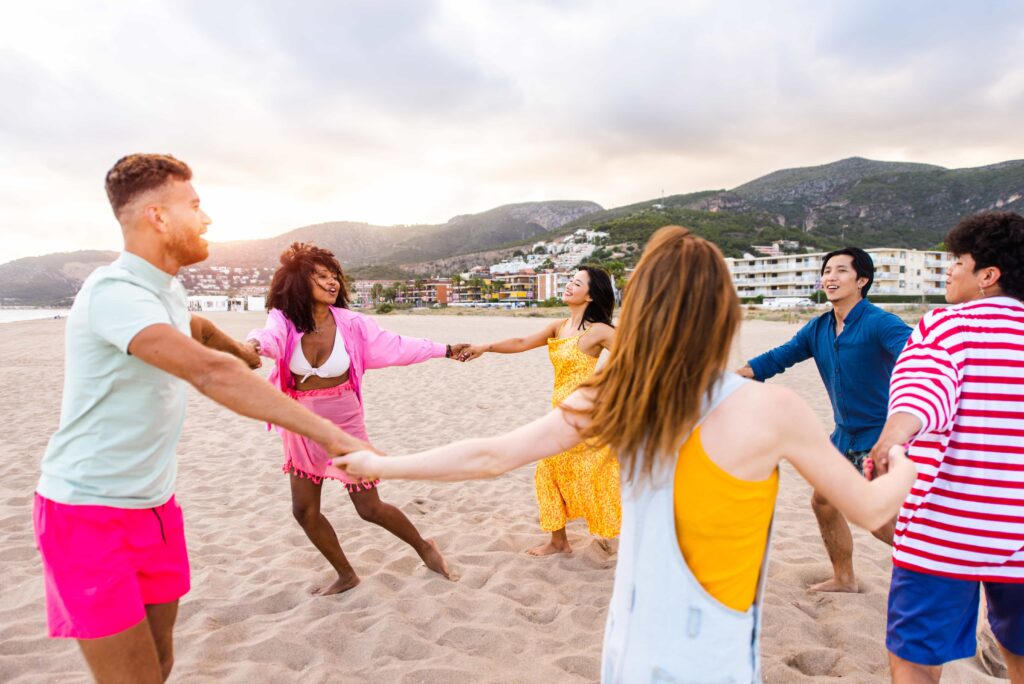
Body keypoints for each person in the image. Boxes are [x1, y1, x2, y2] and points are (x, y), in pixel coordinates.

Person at [333, 225, 916, 683]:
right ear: (722, 309)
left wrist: (384, 465)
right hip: (714, 660)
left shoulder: (619, 395)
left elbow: (490, 455)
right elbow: (868, 508)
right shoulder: (773, 411)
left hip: (628, 650)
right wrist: (905, 462)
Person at [34, 154, 369, 683]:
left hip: (156, 507)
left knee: (162, 662)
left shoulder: (164, 290)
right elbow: (207, 372)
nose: (207, 218)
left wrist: (240, 348)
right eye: (194, 205)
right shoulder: (113, 292)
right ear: (158, 217)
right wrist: (330, 434)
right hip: (88, 513)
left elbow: (197, 329)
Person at [245, 243, 467, 594]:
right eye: (321, 276)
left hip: (343, 421)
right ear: (300, 281)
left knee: (369, 507)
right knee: (303, 510)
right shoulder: (283, 319)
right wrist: (252, 347)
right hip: (300, 424)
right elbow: (268, 338)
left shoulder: (352, 324)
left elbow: (397, 345)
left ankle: (425, 546)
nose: (332, 282)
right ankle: (346, 574)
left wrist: (446, 350)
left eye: (334, 276)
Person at [867, 212, 1024, 683]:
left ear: (988, 276)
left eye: (959, 261)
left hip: (946, 530)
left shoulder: (946, 325)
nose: (949, 270)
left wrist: (893, 436)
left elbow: (925, 391)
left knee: (916, 655)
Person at [737, 247, 912, 592]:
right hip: (843, 436)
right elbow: (777, 358)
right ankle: (844, 578)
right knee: (823, 502)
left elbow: (918, 355)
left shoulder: (880, 323)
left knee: (877, 520)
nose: (830, 277)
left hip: (880, 435)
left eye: (841, 271)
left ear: (862, 280)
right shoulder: (819, 328)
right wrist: (731, 378)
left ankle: (937, 565)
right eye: (827, 270)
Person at [458, 267, 619, 556]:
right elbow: (521, 343)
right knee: (548, 471)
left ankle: (620, 532)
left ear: (592, 295)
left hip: (585, 416)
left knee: (593, 472)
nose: (569, 286)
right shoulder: (559, 326)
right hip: (559, 414)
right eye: (570, 281)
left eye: (577, 283)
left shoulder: (599, 331)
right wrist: (486, 347)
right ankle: (559, 541)